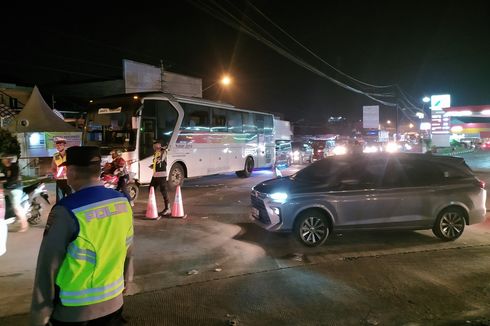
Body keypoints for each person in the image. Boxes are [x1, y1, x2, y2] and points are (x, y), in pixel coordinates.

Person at [30, 146, 134, 326]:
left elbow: (47, 266)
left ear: (71, 172)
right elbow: (128, 248)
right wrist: (128, 279)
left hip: (75, 311)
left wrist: (40, 314)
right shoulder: (122, 201)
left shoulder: (66, 210)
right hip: (115, 302)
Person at [0, 154, 28, 232]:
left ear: (8, 159)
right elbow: (3, 176)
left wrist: (3, 180)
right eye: (2, 159)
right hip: (7, 188)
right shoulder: (4, 168)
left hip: (16, 188)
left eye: (4, 158)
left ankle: (24, 225)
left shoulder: (14, 167)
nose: (3, 160)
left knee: (16, 206)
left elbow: (13, 179)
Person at [150, 139, 170, 216]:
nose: (154, 147)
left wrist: (159, 160)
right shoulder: (156, 153)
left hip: (162, 175)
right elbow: (157, 162)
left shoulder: (163, 151)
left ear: (159, 145)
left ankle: (167, 208)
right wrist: (153, 165)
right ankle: (152, 207)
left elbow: (161, 158)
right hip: (155, 174)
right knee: (151, 189)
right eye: (153, 146)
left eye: (155, 146)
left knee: (163, 190)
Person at [51, 137, 72, 203]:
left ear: (64, 145)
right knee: (60, 200)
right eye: (57, 145)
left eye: (60, 145)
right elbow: (53, 168)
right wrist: (55, 175)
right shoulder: (55, 156)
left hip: (69, 180)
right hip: (59, 181)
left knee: (72, 199)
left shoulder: (70, 154)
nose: (58, 147)